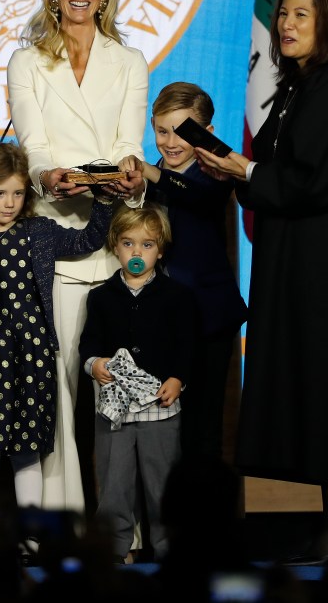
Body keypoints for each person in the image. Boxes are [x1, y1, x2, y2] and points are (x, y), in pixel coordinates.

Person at [195, 0, 328, 563]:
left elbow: (316, 181)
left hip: (327, 274)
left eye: (302, 15)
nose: (286, 24)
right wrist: (243, 173)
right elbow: (286, 177)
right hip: (304, 265)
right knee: (316, 387)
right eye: (283, 14)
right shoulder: (299, 88)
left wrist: (245, 171)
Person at [7, 0, 149, 513]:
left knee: (125, 385)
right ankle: (59, 521)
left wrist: (131, 176)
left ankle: (124, 527)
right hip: (56, 238)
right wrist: (49, 178)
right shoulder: (27, 60)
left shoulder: (130, 61)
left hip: (115, 237)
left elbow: (127, 145)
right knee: (60, 392)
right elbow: (34, 147)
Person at [0, 142, 116, 531]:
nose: (10, 202)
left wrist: (102, 198)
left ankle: (31, 539)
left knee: (27, 447)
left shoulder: (38, 232)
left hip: (33, 356)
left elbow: (87, 242)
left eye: (18, 192)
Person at [121, 81, 248, 461]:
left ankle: (201, 520)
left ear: (206, 134)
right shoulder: (152, 176)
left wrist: (151, 175)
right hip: (161, 321)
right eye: (161, 130)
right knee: (157, 430)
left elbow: (197, 197)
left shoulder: (217, 174)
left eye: (182, 131)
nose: (170, 141)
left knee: (203, 429)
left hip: (207, 320)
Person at [78, 203, 197, 564]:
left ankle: (169, 552)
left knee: (162, 486)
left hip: (159, 410)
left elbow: (187, 346)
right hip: (114, 411)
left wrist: (178, 378)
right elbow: (89, 343)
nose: (137, 252)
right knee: (114, 485)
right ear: (116, 246)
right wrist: (94, 363)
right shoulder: (100, 297)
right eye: (129, 243)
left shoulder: (177, 296)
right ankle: (113, 550)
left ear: (160, 250)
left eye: (147, 245)